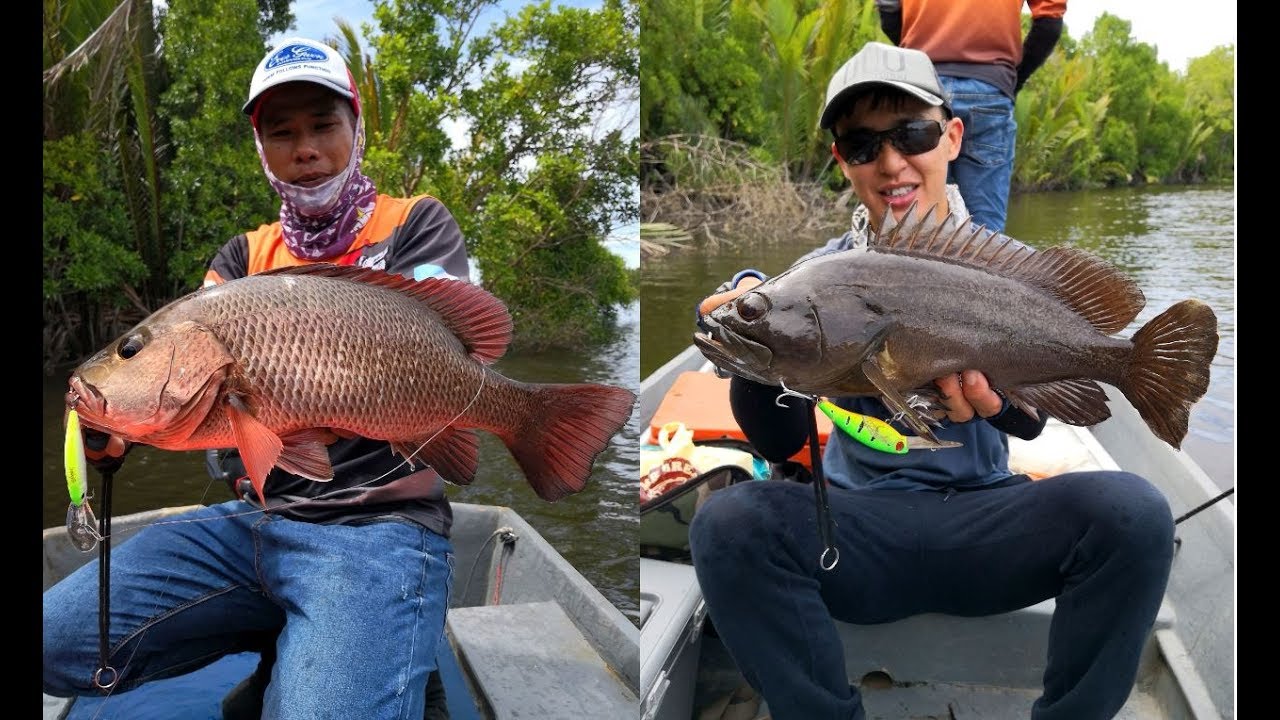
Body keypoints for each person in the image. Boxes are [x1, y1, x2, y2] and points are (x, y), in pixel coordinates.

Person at [689, 42, 1174, 720]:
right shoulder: (816, 279)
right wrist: (746, 320)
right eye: (861, 144)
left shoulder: (1008, 271)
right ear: (842, 161)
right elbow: (773, 436)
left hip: (986, 527)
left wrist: (998, 403)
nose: (890, 162)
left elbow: (1037, 421)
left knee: (1136, 514)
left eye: (911, 134)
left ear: (951, 136)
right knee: (729, 522)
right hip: (854, 537)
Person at [44, 37, 469, 720]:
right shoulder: (240, 258)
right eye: (282, 131)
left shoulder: (414, 225)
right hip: (256, 520)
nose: (306, 147)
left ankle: (383, 656)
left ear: (355, 127)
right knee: (55, 641)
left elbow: (451, 353)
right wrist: (123, 431)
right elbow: (208, 411)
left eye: (323, 124)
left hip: (380, 525)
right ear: (260, 147)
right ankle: (305, 644)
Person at [874, 0, 1066, 232]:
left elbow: (889, 8)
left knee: (916, 228)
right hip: (989, 89)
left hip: (922, 91)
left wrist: (918, 64)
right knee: (987, 237)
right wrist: (1012, 80)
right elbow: (1050, 22)